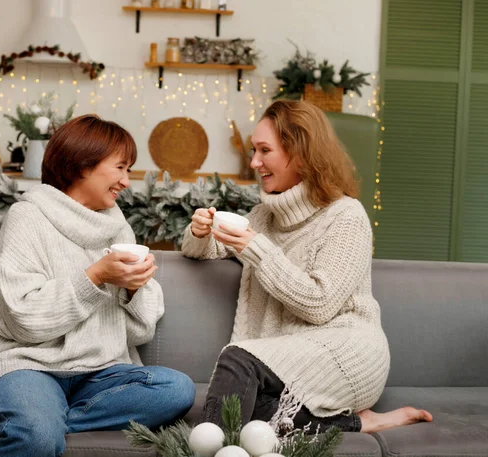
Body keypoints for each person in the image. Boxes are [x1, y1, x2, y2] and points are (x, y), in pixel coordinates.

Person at [182, 100, 432, 434]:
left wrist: (255, 248)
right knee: (247, 407)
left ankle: (203, 450)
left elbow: (320, 304)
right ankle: (358, 423)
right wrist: (199, 232)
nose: (254, 162)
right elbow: (203, 249)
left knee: (237, 358)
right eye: (253, 150)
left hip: (347, 352)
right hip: (286, 362)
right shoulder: (262, 217)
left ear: (301, 154)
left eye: (264, 150)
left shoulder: (346, 216)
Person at [0, 115, 195, 456]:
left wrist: (132, 290)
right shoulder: (28, 218)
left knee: (176, 389)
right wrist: (95, 277)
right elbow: (22, 319)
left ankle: (26, 417)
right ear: (82, 165)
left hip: (100, 372)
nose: (126, 182)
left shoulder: (116, 227)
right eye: (120, 168)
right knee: (37, 438)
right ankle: (32, 418)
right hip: (26, 364)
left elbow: (140, 332)